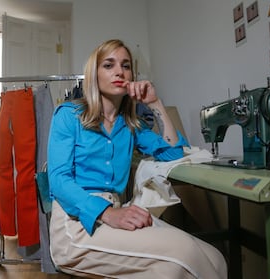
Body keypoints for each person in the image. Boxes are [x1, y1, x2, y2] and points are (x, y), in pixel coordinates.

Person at [47, 39, 227, 279]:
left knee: (214, 257)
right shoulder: (69, 116)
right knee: (186, 252)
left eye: (126, 65)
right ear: (94, 74)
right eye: (109, 65)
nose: (119, 71)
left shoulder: (132, 125)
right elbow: (58, 181)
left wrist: (155, 103)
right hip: (77, 225)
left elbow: (173, 153)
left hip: (117, 212)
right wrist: (107, 213)